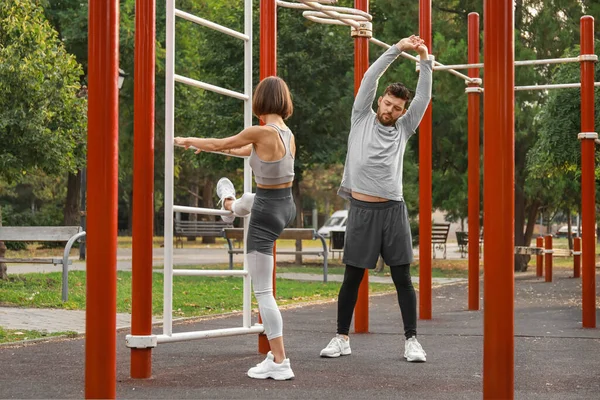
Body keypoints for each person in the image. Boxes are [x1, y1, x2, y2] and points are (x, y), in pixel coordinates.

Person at [174, 76, 297, 380]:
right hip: (285, 206)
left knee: (263, 292)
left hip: (266, 214)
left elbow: (223, 142)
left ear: (259, 101)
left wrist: (189, 141)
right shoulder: (287, 133)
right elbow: (242, 151)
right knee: (248, 199)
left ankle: (280, 361)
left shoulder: (258, 130)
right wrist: (212, 149)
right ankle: (228, 206)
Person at [319, 35, 432, 362]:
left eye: (397, 108)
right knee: (352, 277)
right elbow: (370, 77)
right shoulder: (361, 116)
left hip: (392, 211)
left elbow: (423, 95)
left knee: (402, 278)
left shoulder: (405, 127)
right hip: (362, 210)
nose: (391, 110)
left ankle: (412, 340)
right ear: (380, 100)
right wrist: (397, 49)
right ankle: (341, 337)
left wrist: (424, 59)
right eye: (388, 104)